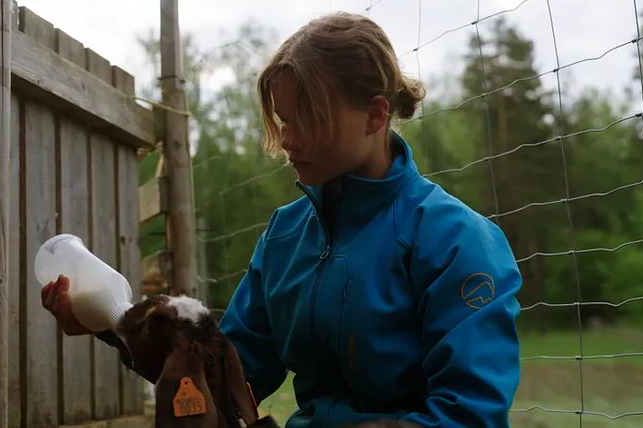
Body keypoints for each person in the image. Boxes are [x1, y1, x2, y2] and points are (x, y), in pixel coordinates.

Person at [42, 11, 522, 428]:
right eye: (283, 120)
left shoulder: (457, 241)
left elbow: (469, 414)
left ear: (375, 115)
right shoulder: (286, 235)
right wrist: (113, 322)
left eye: (306, 120)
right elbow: (225, 373)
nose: (288, 141)